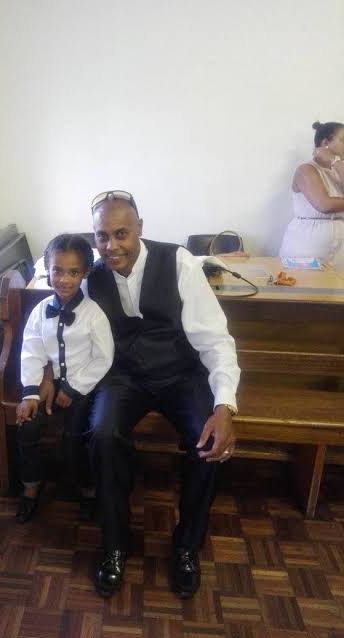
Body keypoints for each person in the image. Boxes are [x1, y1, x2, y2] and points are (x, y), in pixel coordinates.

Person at [85, 190, 240, 599]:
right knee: (102, 435)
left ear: (139, 228)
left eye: (121, 233)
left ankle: (187, 546)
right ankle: (114, 544)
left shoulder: (179, 263)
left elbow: (215, 340)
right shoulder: (91, 276)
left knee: (206, 441)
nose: (111, 246)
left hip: (179, 373)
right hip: (124, 376)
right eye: (102, 236)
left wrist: (224, 405)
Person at [15, 233, 114, 523]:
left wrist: (72, 388)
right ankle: (31, 486)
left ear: (85, 273)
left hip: (82, 386)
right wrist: (30, 392)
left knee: (75, 439)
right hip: (47, 382)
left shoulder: (94, 314)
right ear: (48, 270)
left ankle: (86, 488)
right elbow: (32, 350)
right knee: (27, 429)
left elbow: (103, 358)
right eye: (57, 270)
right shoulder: (40, 311)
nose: (64, 280)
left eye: (73, 272)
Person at [279, 121, 344, 270]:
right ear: (325, 143)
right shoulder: (306, 170)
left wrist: (335, 162)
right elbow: (324, 205)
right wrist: (333, 159)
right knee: (305, 284)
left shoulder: (339, 170)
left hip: (339, 250)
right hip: (307, 245)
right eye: (343, 140)